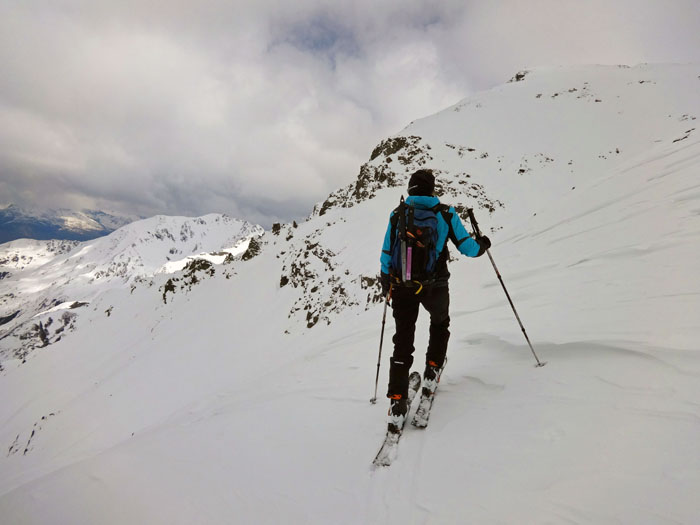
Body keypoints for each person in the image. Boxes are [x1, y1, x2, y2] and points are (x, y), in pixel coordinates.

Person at [379, 169, 491, 431]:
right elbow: (467, 247)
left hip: (403, 286)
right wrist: (483, 245)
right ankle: (432, 369)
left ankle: (397, 402)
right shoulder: (445, 213)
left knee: (402, 341)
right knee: (440, 323)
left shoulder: (398, 214)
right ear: (431, 189)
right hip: (435, 286)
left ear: (410, 189)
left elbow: (386, 253)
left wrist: (387, 283)